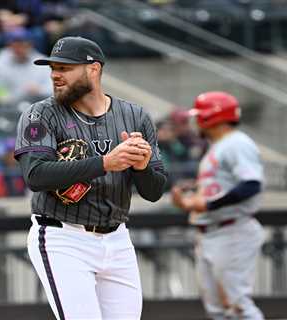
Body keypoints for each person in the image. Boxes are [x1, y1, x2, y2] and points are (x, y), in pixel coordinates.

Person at [14, 36, 167, 320]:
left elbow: (154, 191)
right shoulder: (40, 114)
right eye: (53, 68)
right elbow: (35, 175)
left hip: (117, 237)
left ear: (93, 69)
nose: (55, 76)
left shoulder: (135, 116)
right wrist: (106, 163)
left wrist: (142, 166)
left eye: (64, 68)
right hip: (63, 236)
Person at [171, 91, 265, 320]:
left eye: (199, 115)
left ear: (212, 117)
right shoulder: (219, 145)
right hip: (213, 232)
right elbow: (222, 184)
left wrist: (209, 204)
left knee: (237, 306)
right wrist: (190, 195)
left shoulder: (237, 143)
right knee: (218, 310)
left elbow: (251, 185)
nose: (195, 121)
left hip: (232, 231)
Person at [0, 27, 52, 104]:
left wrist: (40, 91)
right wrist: (5, 98)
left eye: (22, 44)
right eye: (15, 44)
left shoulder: (42, 62)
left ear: (30, 44)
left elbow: (51, 89)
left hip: (37, 104)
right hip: (7, 106)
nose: (19, 48)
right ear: (9, 45)